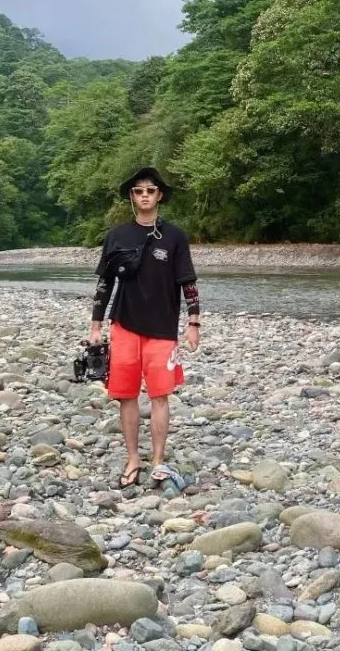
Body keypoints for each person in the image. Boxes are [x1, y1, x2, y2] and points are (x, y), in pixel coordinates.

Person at [89, 166, 200, 489]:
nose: (145, 195)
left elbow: (188, 283)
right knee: (126, 395)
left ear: (159, 195)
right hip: (123, 324)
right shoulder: (117, 237)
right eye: (139, 191)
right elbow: (104, 285)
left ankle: (158, 461)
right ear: (131, 197)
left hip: (163, 329)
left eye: (150, 190)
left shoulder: (175, 237)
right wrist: (95, 325)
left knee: (160, 395)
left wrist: (193, 322)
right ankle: (133, 459)